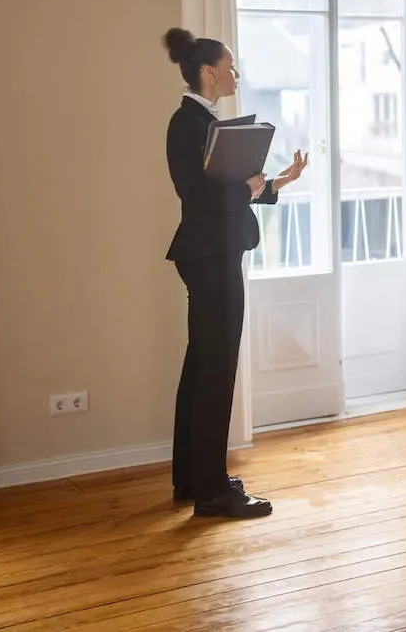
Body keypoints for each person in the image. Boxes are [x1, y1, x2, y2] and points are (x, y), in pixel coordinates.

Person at [162, 27, 307, 519]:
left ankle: (192, 478)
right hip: (209, 256)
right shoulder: (188, 124)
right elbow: (201, 197)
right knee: (214, 370)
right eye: (230, 65)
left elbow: (228, 189)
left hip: (210, 253)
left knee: (202, 365)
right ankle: (211, 489)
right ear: (209, 72)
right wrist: (248, 187)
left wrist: (273, 183)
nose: (237, 74)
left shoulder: (201, 122)